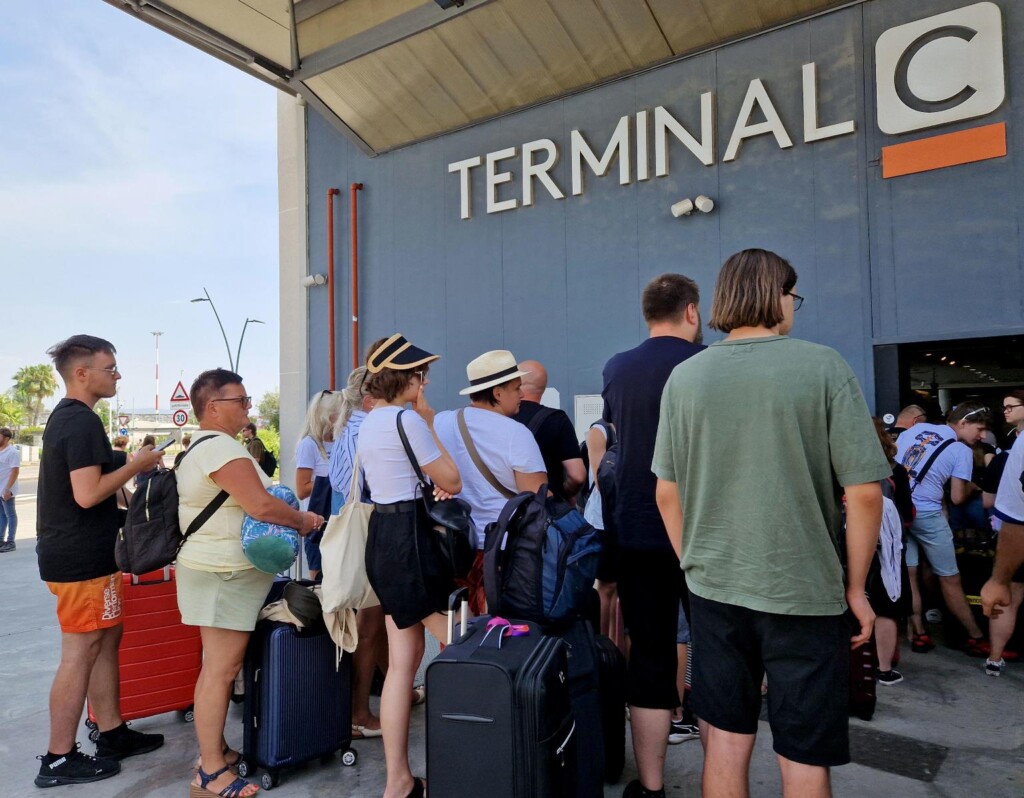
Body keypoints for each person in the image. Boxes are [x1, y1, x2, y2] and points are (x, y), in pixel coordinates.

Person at [653, 249, 889, 798]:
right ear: (774, 294)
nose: (794, 307)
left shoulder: (686, 377)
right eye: (792, 295)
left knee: (726, 740)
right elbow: (865, 494)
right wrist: (855, 587)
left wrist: (693, 562)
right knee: (802, 753)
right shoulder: (823, 365)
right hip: (805, 590)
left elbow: (667, 492)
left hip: (715, 589)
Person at [176, 368, 323, 798]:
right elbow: (260, 505)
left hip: (217, 570)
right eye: (240, 400)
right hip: (223, 572)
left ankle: (213, 750)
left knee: (215, 670)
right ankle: (209, 774)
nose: (248, 407)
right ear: (213, 407)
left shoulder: (204, 448)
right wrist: (303, 521)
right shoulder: (220, 448)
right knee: (220, 672)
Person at [34, 335, 166, 789]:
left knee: (107, 639)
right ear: (82, 373)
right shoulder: (79, 422)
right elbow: (88, 493)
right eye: (110, 368)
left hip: (90, 554)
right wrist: (138, 464)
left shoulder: (74, 420)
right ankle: (57, 757)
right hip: (78, 561)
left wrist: (127, 464)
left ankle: (111, 733)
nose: (117, 375)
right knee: (81, 651)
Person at [600, 273, 705, 798]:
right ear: (692, 311)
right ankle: (722, 781)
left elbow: (615, 443)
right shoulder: (706, 362)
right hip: (706, 532)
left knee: (650, 654)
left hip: (639, 529)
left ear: (648, 314)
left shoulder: (618, 368)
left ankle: (652, 785)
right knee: (716, 654)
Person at [358, 334, 462, 798]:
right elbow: (452, 479)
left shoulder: (370, 422)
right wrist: (430, 422)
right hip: (411, 542)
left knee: (403, 665)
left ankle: (398, 780)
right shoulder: (408, 420)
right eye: (423, 375)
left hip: (382, 536)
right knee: (460, 637)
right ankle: (480, 740)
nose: (426, 381)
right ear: (410, 379)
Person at [433, 351, 547, 614]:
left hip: (454, 546)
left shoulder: (442, 422)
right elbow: (536, 498)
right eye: (516, 388)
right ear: (497, 393)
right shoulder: (516, 433)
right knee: (500, 633)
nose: (521, 395)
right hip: (503, 549)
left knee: (459, 633)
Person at [896, 401, 992, 655]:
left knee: (911, 575)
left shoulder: (915, 431)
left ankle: (918, 633)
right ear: (962, 423)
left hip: (900, 512)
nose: (982, 436)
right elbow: (958, 497)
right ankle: (976, 635)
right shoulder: (961, 452)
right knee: (950, 577)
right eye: (979, 429)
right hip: (928, 515)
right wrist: (975, 486)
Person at [326, 366, 387, 738]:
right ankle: (359, 714)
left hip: (360, 529)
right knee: (369, 623)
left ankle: (391, 695)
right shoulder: (367, 429)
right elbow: (360, 486)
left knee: (375, 622)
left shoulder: (348, 429)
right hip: (369, 530)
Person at [978, 389, 1024, 675]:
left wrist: (997, 578)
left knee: (1008, 593)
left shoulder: (1014, 451)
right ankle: (995, 657)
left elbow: (1016, 517)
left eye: (1012, 406)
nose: (1006, 411)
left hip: (1015, 541)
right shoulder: (1014, 448)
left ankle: (995, 658)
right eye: (1004, 407)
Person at [868, 418, 913, 685]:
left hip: (845, 543)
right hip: (888, 548)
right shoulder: (895, 470)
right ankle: (884, 669)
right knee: (886, 605)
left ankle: (849, 665)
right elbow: (908, 514)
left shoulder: (838, 467)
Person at [511, 359, 585, 503]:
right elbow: (577, 475)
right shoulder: (557, 419)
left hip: (503, 510)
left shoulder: (500, 418)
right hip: (543, 511)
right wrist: (565, 496)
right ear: (543, 387)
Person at [295, 390, 346, 580]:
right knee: (321, 581)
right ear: (329, 415)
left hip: (340, 521)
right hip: (319, 522)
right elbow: (301, 489)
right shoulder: (309, 444)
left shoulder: (342, 441)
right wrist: (335, 480)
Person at [0, 427, 20, 553]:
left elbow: (15, 471)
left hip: (7, 489)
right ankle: (1, 540)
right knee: (1, 515)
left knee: (10, 515)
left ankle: (11, 541)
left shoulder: (12, 452)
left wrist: (7, 489)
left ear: (6, 438)